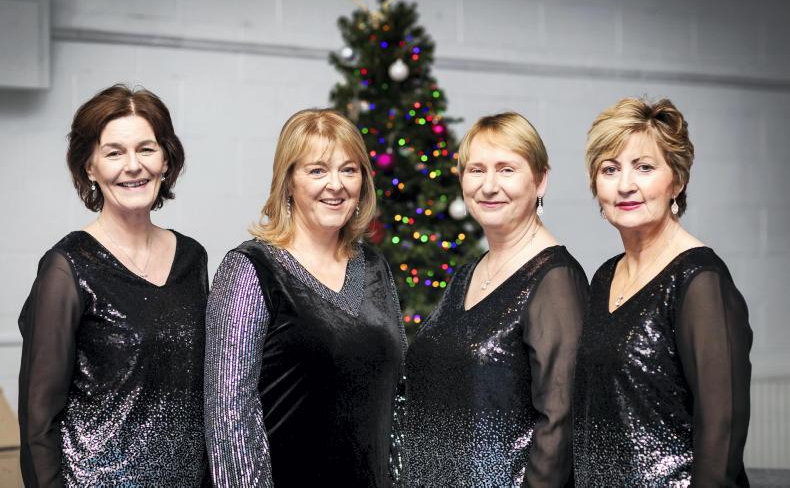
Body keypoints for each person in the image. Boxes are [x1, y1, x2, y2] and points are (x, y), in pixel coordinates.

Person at [18, 84, 210, 487]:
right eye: (114, 153)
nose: (133, 166)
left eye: (146, 149)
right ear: (90, 167)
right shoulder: (67, 267)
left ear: (165, 160)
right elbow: (38, 422)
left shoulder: (193, 259)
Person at [204, 108, 405, 487]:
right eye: (317, 171)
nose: (336, 185)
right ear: (288, 182)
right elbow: (229, 416)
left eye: (349, 170)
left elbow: (398, 399)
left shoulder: (375, 267)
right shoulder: (250, 268)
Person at [402, 112, 587, 487]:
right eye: (476, 170)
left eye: (506, 170)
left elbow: (561, 423)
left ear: (540, 179)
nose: (488, 186)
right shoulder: (466, 275)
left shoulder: (555, 279)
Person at [574, 97, 752, 487]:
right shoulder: (605, 276)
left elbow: (721, 435)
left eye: (644, 167)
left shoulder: (700, 280)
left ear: (678, 181)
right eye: (610, 169)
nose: (625, 185)